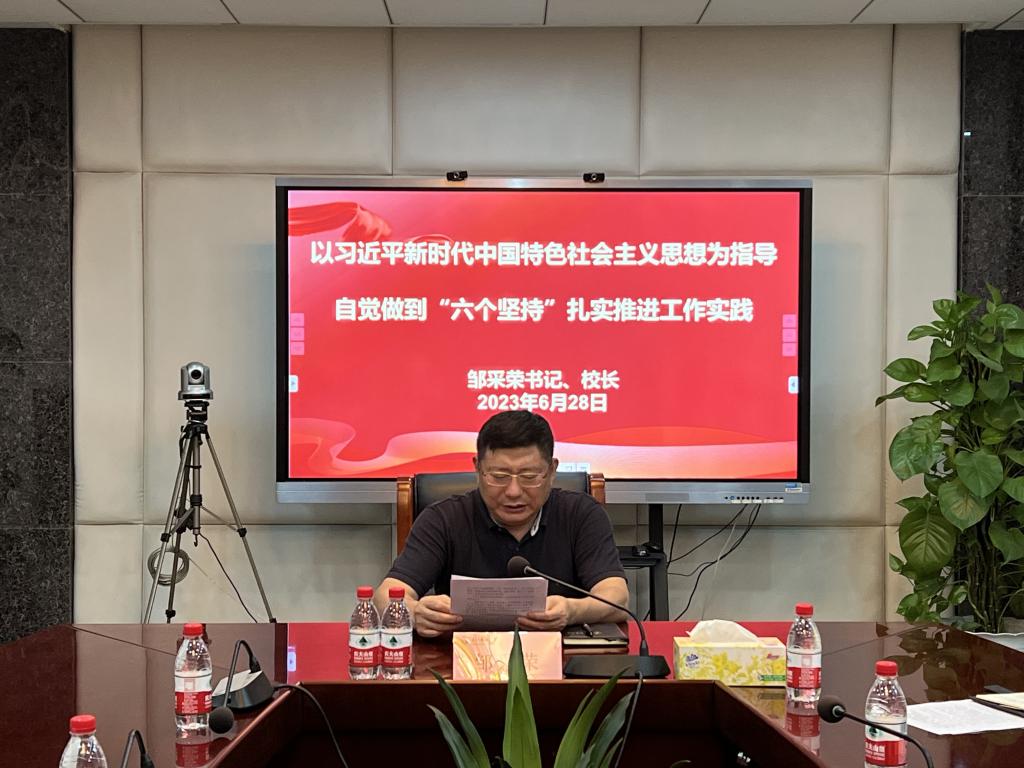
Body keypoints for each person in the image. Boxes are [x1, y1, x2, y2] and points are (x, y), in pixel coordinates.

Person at [375, 410, 629, 637]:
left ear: (552, 471)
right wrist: (415, 612)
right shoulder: (443, 519)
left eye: (529, 476)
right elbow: (384, 596)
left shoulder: (581, 514)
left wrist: (573, 610)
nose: (513, 491)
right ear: (477, 468)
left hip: (562, 665)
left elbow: (617, 597)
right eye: (499, 476)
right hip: (461, 664)